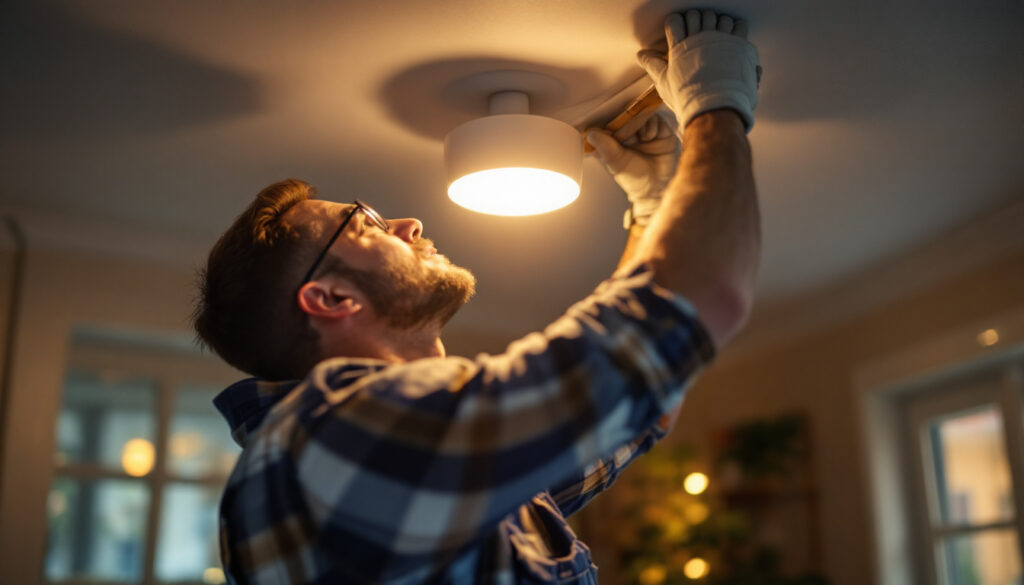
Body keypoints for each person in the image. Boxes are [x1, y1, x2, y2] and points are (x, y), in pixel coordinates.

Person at [193, 9, 761, 585]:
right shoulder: (325, 448)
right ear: (332, 298)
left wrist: (653, 209)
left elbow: (637, 396)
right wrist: (714, 105)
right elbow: (681, 319)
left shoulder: (386, 465)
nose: (409, 224)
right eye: (366, 224)